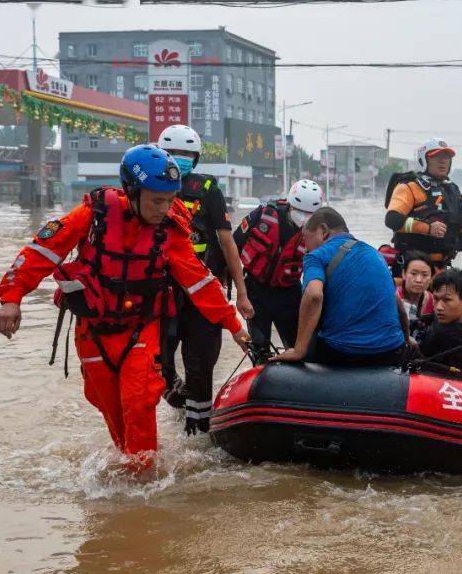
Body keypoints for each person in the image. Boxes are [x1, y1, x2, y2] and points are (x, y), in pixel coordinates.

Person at [0, 144, 249, 474]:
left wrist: (235, 325)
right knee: (112, 410)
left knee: (139, 402)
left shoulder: (170, 230)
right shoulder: (94, 215)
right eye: (157, 200)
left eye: (170, 199)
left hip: (141, 331)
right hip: (94, 334)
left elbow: (199, 282)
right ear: (131, 191)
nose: (165, 208)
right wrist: (12, 298)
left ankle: (142, 488)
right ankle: (128, 478)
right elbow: (43, 250)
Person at [156, 124, 252, 434]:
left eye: (186, 155)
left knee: (201, 366)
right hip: (161, 293)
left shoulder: (208, 189)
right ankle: (176, 398)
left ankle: (198, 433)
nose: (180, 160)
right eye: (174, 154)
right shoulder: (149, 187)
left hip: (203, 294)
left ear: (195, 159)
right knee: (157, 364)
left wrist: (242, 292)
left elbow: (228, 244)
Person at [272, 207, 406, 367]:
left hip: (343, 353)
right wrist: (406, 339)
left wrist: (298, 350)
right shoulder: (375, 254)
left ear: (323, 231)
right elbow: (398, 304)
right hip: (390, 350)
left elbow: (314, 295)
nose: (305, 247)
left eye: (306, 238)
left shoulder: (316, 256)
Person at [234, 179, 324, 352]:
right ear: (290, 204)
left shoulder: (317, 232)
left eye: (309, 214)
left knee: (298, 347)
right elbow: (232, 246)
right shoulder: (262, 215)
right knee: (258, 347)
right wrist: (239, 291)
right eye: (299, 211)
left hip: (289, 293)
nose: (304, 217)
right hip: (256, 291)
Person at [383, 137, 462, 276]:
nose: (443, 160)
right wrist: (428, 228)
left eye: (446, 157)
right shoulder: (409, 187)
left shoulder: (452, 190)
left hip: (442, 271)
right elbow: (392, 219)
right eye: (436, 156)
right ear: (423, 160)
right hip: (410, 271)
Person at [397, 250, 435, 339]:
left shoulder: (433, 301)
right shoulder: (392, 297)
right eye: (413, 274)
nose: (418, 280)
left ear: (431, 278)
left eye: (425, 275)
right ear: (404, 274)